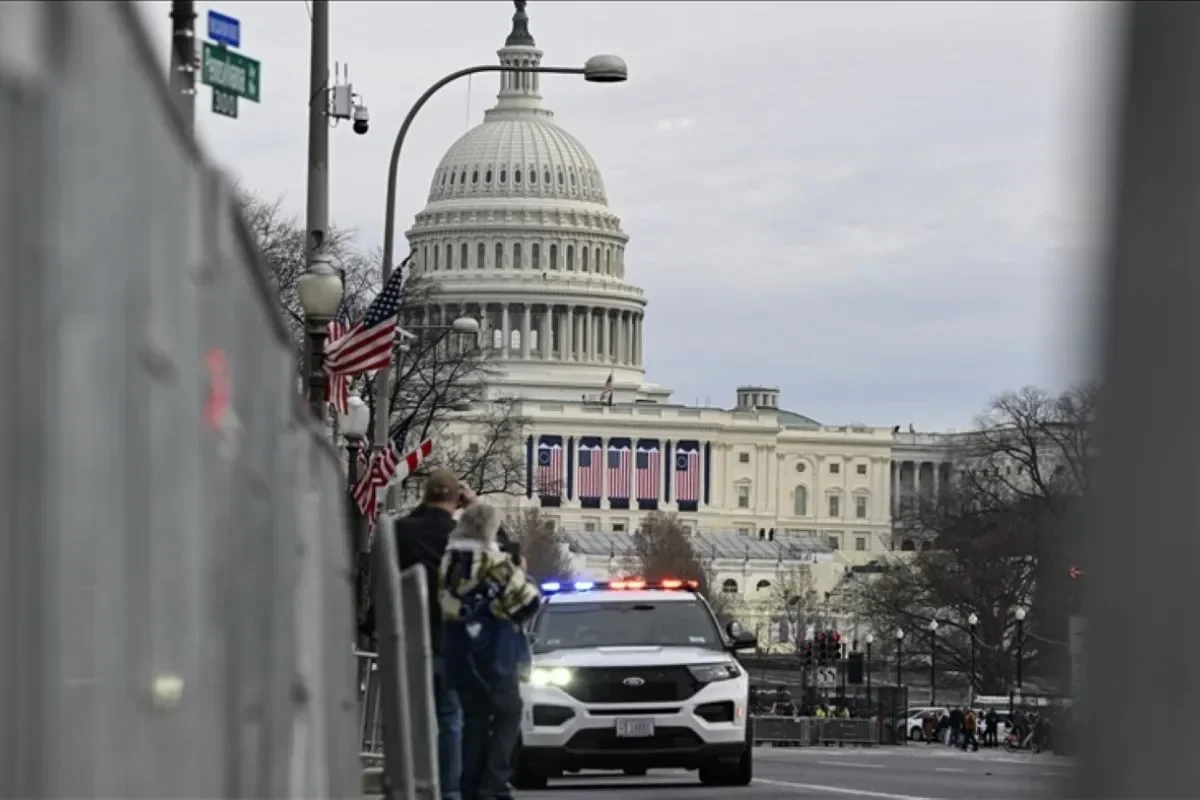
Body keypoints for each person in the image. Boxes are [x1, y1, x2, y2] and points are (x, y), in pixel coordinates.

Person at [440, 502, 541, 800]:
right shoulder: (495, 563)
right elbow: (529, 603)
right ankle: (495, 782)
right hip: (496, 653)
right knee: (509, 714)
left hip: (459, 650)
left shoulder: (449, 561)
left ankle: (470, 785)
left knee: (475, 719)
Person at [387, 468, 475, 800]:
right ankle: (448, 790)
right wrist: (474, 506)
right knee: (450, 717)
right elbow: (508, 552)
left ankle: (410, 784)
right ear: (457, 499)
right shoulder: (463, 535)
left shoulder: (402, 530)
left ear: (425, 497)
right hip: (453, 639)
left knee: (410, 716)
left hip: (409, 636)